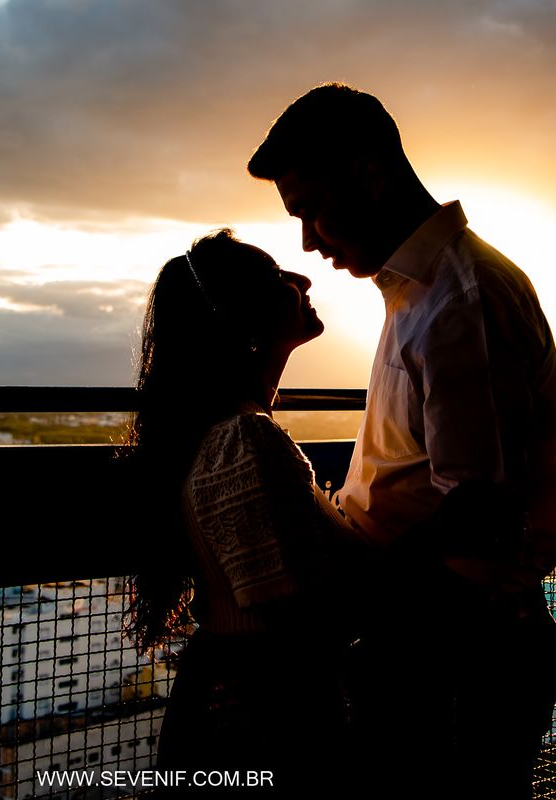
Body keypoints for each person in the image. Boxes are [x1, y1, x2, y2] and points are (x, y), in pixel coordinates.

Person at [247, 82, 556, 799]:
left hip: (457, 653)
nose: (308, 241)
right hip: (440, 638)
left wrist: (357, 596)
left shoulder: (462, 300)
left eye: (311, 211)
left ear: (368, 173)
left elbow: (480, 512)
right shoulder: (425, 293)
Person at [125, 229, 366, 796]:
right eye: (278, 276)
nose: (302, 279)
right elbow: (295, 617)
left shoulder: (226, 430)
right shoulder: (244, 439)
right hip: (263, 721)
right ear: (245, 318)